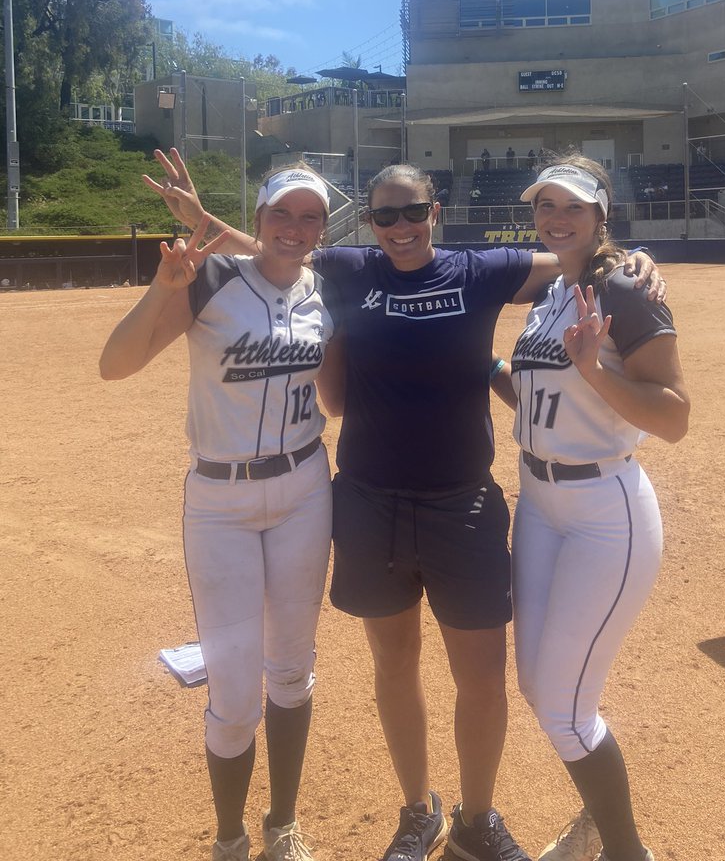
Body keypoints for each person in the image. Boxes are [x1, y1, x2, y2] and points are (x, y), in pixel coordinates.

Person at [143, 150, 665, 861]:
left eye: (412, 212)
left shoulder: (479, 270)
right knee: (396, 664)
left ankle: (477, 821)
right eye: (383, 214)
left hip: (464, 504)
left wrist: (633, 257)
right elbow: (276, 247)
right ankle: (418, 813)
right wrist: (203, 222)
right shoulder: (353, 270)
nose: (399, 226)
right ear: (370, 221)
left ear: (433, 213)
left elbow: (576, 257)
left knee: (480, 675)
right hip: (370, 499)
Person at [101, 165, 342, 861]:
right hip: (221, 503)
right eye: (283, 214)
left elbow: (276, 263)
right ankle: (230, 838)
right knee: (234, 695)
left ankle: (282, 825)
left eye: (309, 218)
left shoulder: (325, 289)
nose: (295, 229)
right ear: (260, 213)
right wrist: (161, 291)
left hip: (303, 489)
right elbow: (114, 366)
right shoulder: (209, 282)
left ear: (322, 228)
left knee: (292, 672)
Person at [490, 157, 689, 861]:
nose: (556, 216)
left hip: (605, 509)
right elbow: (535, 400)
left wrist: (591, 368)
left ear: (601, 212)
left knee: (564, 710)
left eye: (571, 204)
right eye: (545, 204)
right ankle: (600, 815)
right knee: (540, 686)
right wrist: (479, 366)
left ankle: (625, 850)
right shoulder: (554, 288)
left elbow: (672, 417)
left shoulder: (626, 286)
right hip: (541, 505)